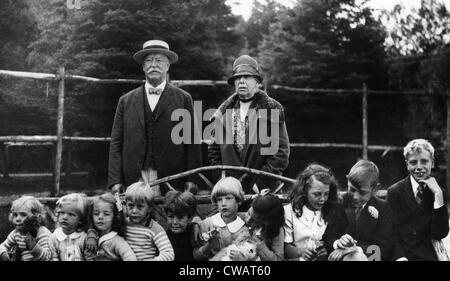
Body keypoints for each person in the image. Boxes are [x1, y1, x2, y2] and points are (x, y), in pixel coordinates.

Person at [108, 39, 201, 195]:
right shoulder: (126, 100)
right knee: (135, 216)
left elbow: (192, 142)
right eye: (149, 61)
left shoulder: (183, 98)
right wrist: (115, 180)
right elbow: (116, 143)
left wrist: (192, 178)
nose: (154, 65)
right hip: (134, 174)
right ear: (143, 67)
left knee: (169, 216)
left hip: (172, 175)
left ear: (167, 66)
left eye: (159, 61)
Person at [208, 54, 290, 196]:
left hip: (263, 190)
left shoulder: (271, 109)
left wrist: (259, 184)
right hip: (230, 191)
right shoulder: (222, 114)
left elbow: (280, 153)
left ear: (257, 82)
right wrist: (223, 180)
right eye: (238, 78)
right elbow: (214, 151)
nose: (241, 81)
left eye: (247, 77)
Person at [387, 139, 449, 261]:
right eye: (413, 162)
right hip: (404, 255)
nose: (419, 167)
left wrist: (438, 196)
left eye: (424, 161)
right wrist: (400, 257)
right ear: (407, 164)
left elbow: (440, 233)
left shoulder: (438, 192)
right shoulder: (395, 192)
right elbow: (392, 233)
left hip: (428, 257)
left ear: (432, 163)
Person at [326, 160, 393, 261]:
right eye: (352, 189)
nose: (355, 197)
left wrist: (354, 250)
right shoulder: (339, 203)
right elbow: (328, 236)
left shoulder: (383, 208)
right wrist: (338, 243)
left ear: (374, 189)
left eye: (362, 192)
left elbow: (383, 248)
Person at [283, 164, 341, 261]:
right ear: (304, 190)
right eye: (317, 194)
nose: (322, 199)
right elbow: (285, 247)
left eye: (326, 194)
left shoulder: (332, 210)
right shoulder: (289, 211)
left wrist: (327, 250)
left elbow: (334, 240)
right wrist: (301, 252)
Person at [194, 177, 250, 261]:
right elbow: (196, 256)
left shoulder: (243, 228)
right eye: (219, 200)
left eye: (228, 198)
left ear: (238, 200)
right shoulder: (207, 224)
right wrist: (208, 246)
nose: (223, 203)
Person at [124, 181, 174, 261]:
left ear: (150, 208)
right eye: (130, 205)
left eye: (140, 206)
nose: (134, 211)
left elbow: (168, 253)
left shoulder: (154, 228)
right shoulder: (123, 224)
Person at [85, 193, 136, 261]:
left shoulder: (117, 241)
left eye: (106, 214)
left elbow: (131, 258)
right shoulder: (91, 238)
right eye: (96, 214)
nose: (100, 217)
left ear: (115, 217)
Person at [0, 196, 51, 261]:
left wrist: (33, 246)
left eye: (23, 215)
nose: (17, 219)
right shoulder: (16, 233)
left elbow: (48, 257)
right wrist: (3, 253)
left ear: (37, 217)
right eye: (15, 215)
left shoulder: (42, 233)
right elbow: (3, 246)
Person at [48, 193, 90, 261]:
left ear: (80, 219)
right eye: (62, 212)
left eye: (71, 214)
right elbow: (53, 256)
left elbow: (89, 258)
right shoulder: (55, 237)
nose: (65, 217)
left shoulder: (84, 238)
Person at [163, 190, 201, 261]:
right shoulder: (165, 237)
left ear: (189, 218)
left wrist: (197, 224)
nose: (174, 222)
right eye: (170, 217)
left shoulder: (193, 231)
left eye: (180, 218)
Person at [245, 193, 285, 261]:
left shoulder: (276, 231)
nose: (248, 220)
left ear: (266, 223)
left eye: (254, 220)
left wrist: (259, 245)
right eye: (248, 213)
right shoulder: (239, 218)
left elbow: (278, 259)